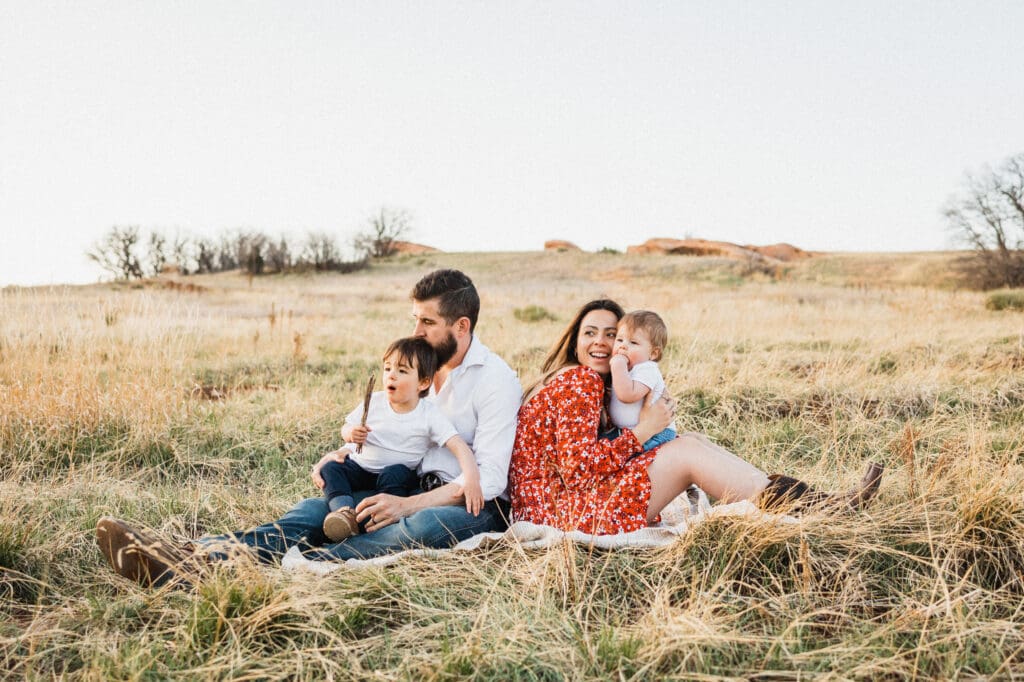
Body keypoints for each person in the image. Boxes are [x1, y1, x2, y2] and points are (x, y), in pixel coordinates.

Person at [97, 269, 521, 586]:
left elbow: (490, 479)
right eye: (414, 319)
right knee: (314, 511)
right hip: (401, 481)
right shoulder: (417, 367)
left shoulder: (495, 381)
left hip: (467, 506)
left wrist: (408, 505)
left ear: (461, 326)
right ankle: (193, 557)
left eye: (427, 322)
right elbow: (391, 429)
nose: (415, 331)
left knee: (414, 530)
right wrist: (343, 455)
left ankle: (290, 568)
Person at [508, 299, 882, 536]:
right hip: (563, 512)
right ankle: (823, 509)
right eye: (591, 333)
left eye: (616, 335)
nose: (605, 344)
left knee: (693, 442)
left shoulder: (589, 384)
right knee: (686, 453)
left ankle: (813, 503)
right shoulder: (580, 380)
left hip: (561, 503)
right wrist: (644, 431)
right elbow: (578, 470)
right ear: (574, 340)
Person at [319, 336, 483, 542]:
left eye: (402, 371)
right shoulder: (375, 401)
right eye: (387, 369)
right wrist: (351, 433)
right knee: (331, 469)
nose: (391, 376)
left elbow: (458, 445)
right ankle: (345, 514)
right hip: (362, 467)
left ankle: (380, 521)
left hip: (396, 474)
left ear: (423, 382)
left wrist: (472, 478)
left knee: (394, 473)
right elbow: (346, 428)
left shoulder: (428, 414)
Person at [607, 310, 676, 451]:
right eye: (619, 340)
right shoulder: (628, 370)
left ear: (653, 353)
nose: (623, 346)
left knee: (630, 459)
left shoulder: (647, 369)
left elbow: (627, 395)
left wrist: (617, 364)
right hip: (630, 431)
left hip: (655, 433)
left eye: (633, 342)